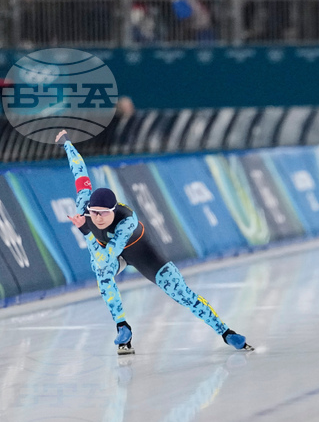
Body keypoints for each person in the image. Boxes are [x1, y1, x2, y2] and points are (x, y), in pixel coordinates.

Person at [57, 129, 253, 355]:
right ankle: (123, 327)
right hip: (109, 253)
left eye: (104, 213)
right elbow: (79, 170)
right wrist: (67, 143)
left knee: (182, 293)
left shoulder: (126, 222)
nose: (98, 218)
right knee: (101, 272)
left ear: (113, 210)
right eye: (94, 213)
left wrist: (86, 231)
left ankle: (226, 332)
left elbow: (108, 255)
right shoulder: (84, 206)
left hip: (141, 252)